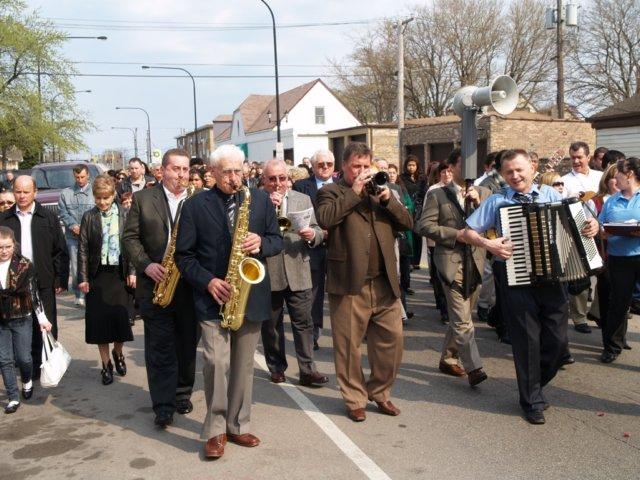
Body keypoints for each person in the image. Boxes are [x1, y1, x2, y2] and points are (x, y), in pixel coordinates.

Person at [462, 149, 599, 424]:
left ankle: (534, 384)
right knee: (526, 342)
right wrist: (488, 244)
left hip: (554, 278)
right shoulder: (497, 202)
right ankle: (531, 401)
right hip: (517, 279)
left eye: (519, 170)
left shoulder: (552, 196)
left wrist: (593, 225)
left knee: (558, 343)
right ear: (502, 174)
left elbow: (583, 223)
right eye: (509, 172)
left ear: (532, 169)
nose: (515, 176)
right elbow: (467, 232)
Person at [174, 144, 282, 459]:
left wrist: (262, 242)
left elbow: (276, 241)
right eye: (227, 172)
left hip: (250, 295)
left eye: (238, 171)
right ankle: (215, 430)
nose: (234, 178)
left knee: (243, 366)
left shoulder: (259, 200)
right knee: (215, 362)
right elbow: (184, 255)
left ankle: (237, 425)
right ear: (213, 172)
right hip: (211, 297)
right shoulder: (195, 205)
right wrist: (207, 281)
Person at [317, 142, 412, 422]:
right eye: (355, 166)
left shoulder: (383, 191)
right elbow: (326, 218)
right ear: (344, 167)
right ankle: (354, 398)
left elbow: (407, 223)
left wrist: (387, 200)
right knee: (348, 346)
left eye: (365, 166)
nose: (361, 172)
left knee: (391, 343)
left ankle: (380, 392)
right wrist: (355, 192)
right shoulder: (330, 192)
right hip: (349, 281)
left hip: (384, 281)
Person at [123, 149, 199, 428]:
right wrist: (146, 265)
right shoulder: (144, 199)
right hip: (155, 282)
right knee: (160, 347)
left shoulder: (197, 199)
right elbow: (129, 238)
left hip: (189, 286)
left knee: (187, 344)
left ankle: (182, 393)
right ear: (162, 170)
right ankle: (163, 405)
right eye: (175, 169)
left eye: (185, 169)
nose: (181, 174)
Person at [418, 152, 490, 386]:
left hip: (476, 263)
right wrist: (455, 235)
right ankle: (475, 367)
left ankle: (448, 358)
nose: (471, 169)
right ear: (453, 167)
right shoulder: (438, 194)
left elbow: (493, 226)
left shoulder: (486, 194)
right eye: (464, 164)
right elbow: (424, 226)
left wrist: (478, 203)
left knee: (463, 317)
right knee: (461, 319)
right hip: (450, 263)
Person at [260, 159, 328, 387]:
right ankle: (276, 367)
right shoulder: (256, 202)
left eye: (282, 178)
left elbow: (318, 230)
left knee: (304, 323)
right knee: (271, 325)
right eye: (272, 179)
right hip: (270, 271)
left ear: (289, 179)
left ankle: (308, 370)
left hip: (298, 267)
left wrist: (313, 236)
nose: (278, 183)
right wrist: (269, 208)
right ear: (263, 180)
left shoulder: (303, 199)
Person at [0, 176, 68, 381]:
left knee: (45, 325)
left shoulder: (47, 218)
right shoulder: (4, 219)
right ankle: (24, 367)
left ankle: (45, 366)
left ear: (35, 193)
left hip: (44, 281)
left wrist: (60, 279)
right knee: (18, 326)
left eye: (26, 192)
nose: (22, 196)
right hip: (14, 285)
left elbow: (60, 251)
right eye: (18, 192)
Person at [78, 175, 134, 385]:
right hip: (97, 275)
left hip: (119, 275)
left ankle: (118, 353)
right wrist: (82, 277)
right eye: (98, 198)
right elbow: (82, 249)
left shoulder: (125, 215)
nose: (102, 202)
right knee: (99, 324)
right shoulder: (89, 217)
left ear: (113, 196)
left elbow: (132, 245)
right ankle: (105, 364)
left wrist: (133, 271)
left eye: (106, 197)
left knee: (120, 321)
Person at [0, 226, 52, 413]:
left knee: (24, 358)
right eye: (0, 247)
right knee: (4, 359)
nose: (4, 251)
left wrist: (43, 318)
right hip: (1, 321)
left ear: (14, 245)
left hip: (22, 316)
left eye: (7, 246)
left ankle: (27, 380)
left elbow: (33, 293)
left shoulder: (25, 264)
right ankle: (13, 397)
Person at [598, 157, 640, 363]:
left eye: (619, 173)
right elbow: (600, 225)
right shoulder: (612, 200)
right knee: (618, 302)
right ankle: (612, 346)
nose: (615, 178)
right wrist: (602, 231)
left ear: (630, 174)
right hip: (619, 259)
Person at [293, 149, 335, 350]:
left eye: (329, 164)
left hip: (338, 247)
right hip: (313, 248)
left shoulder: (343, 186)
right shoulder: (301, 187)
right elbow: (297, 216)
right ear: (313, 165)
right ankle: (313, 333)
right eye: (321, 164)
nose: (325, 167)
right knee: (314, 295)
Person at [562, 142, 602, 335]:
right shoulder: (565, 181)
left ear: (588, 157)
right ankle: (579, 317)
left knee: (604, 275)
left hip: (601, 230)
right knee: (581, 277)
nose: (576, 161)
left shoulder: (600, 177)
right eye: (573, 157)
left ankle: (597, 312)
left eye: (579, 157)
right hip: (578, 232)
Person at [58, 164, 95, 307]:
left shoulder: (95, 191)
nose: (80, 180)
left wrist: (87, 227)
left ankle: (92, 293)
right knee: (75, 267)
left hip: (92, 236)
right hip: (73, 236)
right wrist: (72, 225)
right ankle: (79, 294)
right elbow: (63, 212)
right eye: (77, 177)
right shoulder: (66, 193)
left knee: (92, 264)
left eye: (82, 177)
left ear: (88, 176)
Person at [400, 155, 427, 269]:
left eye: (413, 165)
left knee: (417, 234)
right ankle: (409, 261)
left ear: (417, 166)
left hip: (419, 209)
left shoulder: (422, 178)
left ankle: (416, 261)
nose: (411, 167)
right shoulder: (402, 178)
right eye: (409, 165)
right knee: (408, 234)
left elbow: (424, 192)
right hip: (407, 208)